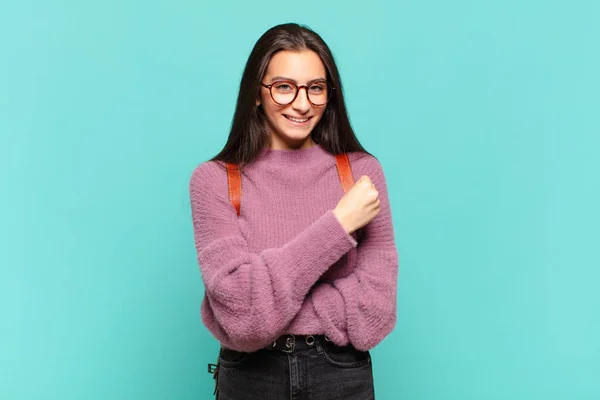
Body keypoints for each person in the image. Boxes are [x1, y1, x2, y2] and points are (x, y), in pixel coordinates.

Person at [189, 22, 399, 400]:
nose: (302, 104)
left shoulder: (361, 175)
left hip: (341, 375)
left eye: (315, 88)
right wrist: (339, 226)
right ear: (257, 92)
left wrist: (271, 305)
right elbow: (243, 320)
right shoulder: (214, 180)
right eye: (284, 87)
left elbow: (375, 316)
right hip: (251, 378)